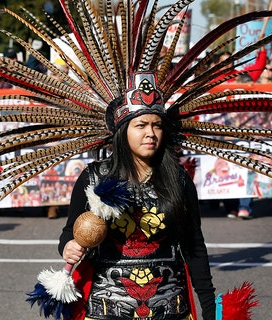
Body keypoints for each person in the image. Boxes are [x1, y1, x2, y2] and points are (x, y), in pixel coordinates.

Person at [58, 73, 216, 319]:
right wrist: (68, 247)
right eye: (141, 125)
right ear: (123, 131)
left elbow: (193, 244)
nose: (150, 133)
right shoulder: (94, 178)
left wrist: (209, 306)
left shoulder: (179, 179)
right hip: (106, 308)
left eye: (157, 125)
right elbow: (69, 232)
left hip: (170, 308)